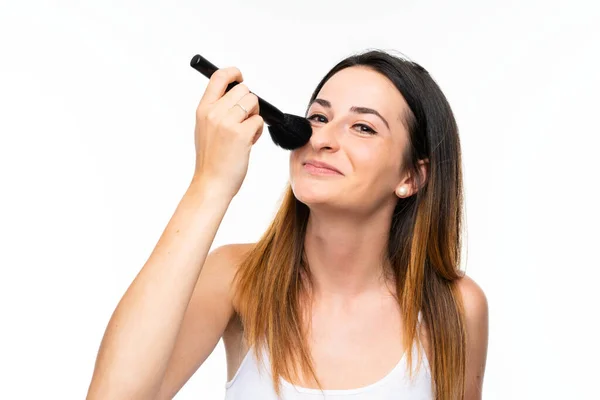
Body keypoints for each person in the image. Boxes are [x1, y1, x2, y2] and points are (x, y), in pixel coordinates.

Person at [87, 49, 488, 400]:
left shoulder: (455, 307)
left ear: (411, 178)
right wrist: (210, 184)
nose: (322, 139)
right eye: (318, 117)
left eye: (363, 127)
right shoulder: (237, 279)